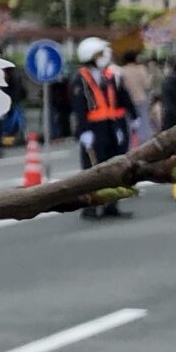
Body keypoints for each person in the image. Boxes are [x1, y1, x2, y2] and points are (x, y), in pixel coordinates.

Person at [74, 37, 134, 220]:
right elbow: (79, 106)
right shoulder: (81, 78)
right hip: (93, 129)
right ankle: (90, 207)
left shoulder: (110, 75)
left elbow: (122, 96)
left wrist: (133, 116)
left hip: (111, 126)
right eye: (101, 53)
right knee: (92, 170)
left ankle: (111, 205)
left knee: (114, 167)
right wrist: (84, 131)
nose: (105, 56)